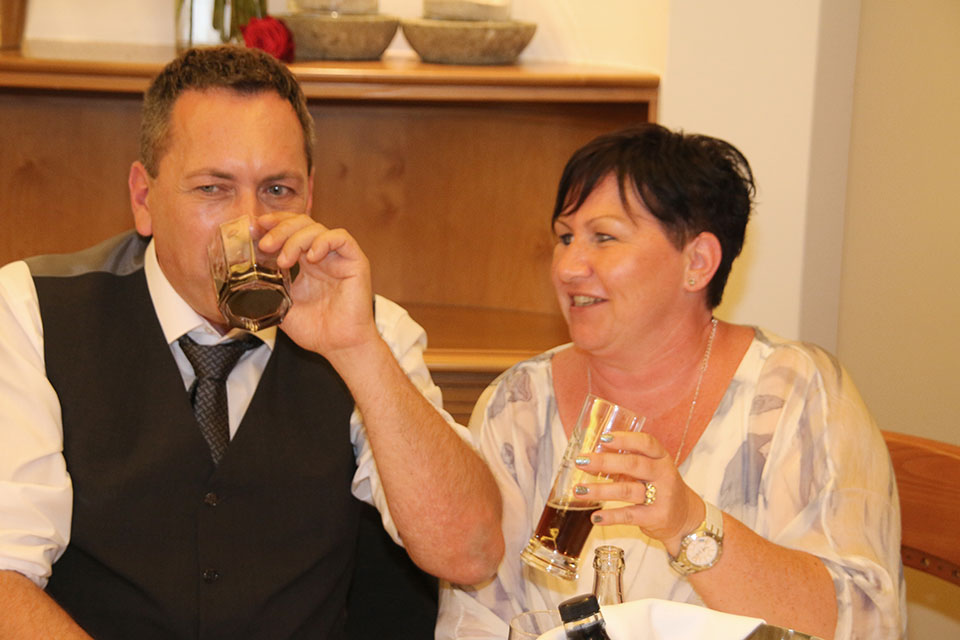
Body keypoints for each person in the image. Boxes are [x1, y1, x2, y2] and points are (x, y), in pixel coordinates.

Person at [0, 45, 503, 639]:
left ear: (310, 198)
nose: (250, 225)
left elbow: (469, 554)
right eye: (213, 188)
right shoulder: (32, 310)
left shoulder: (372, 328)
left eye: (277, 191)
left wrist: (357, 352)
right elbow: (6, 576)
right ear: (143, 198)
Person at [436, 124, 905, 640]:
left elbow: (864, 625)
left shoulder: (797, 394)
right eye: (565, 237)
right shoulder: (518, 404)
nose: (568, 267)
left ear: (697, 263)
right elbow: (474, 619)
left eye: (604, 237)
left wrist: (690, 524)